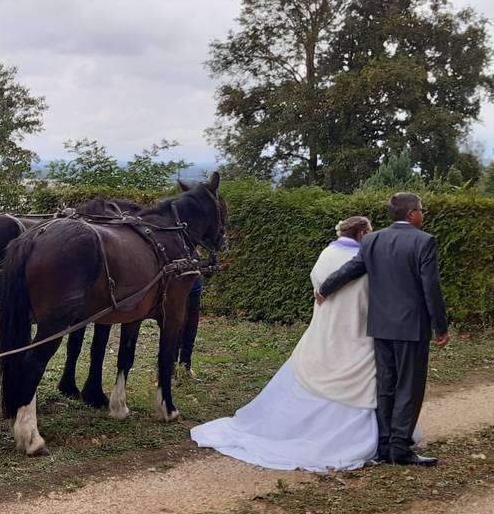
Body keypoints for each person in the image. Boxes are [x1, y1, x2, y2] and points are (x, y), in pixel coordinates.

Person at [191, 216, 379, 471]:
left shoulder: (327, 253)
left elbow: (320, 286)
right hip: (355, 329)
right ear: (361, 234)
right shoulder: (362, 259)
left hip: (324, 329)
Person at [317, 193, 449, 466]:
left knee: (386, 386)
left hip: (380, 325)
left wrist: (325, 288)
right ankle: (400, 449)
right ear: (412, 213)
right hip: (412, 327)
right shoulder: (424, 241)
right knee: (409, 387)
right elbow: (430, 288)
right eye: (421, 210)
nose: (423, 214)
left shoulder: (373, 240)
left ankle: (384, 445)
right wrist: (440, 327)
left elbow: (352, 269)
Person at [174, 276, 203, 379]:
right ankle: (170, 371)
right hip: (176, 287)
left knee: (191, 329)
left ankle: (186, 367)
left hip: (194, 286)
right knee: (175, 330)